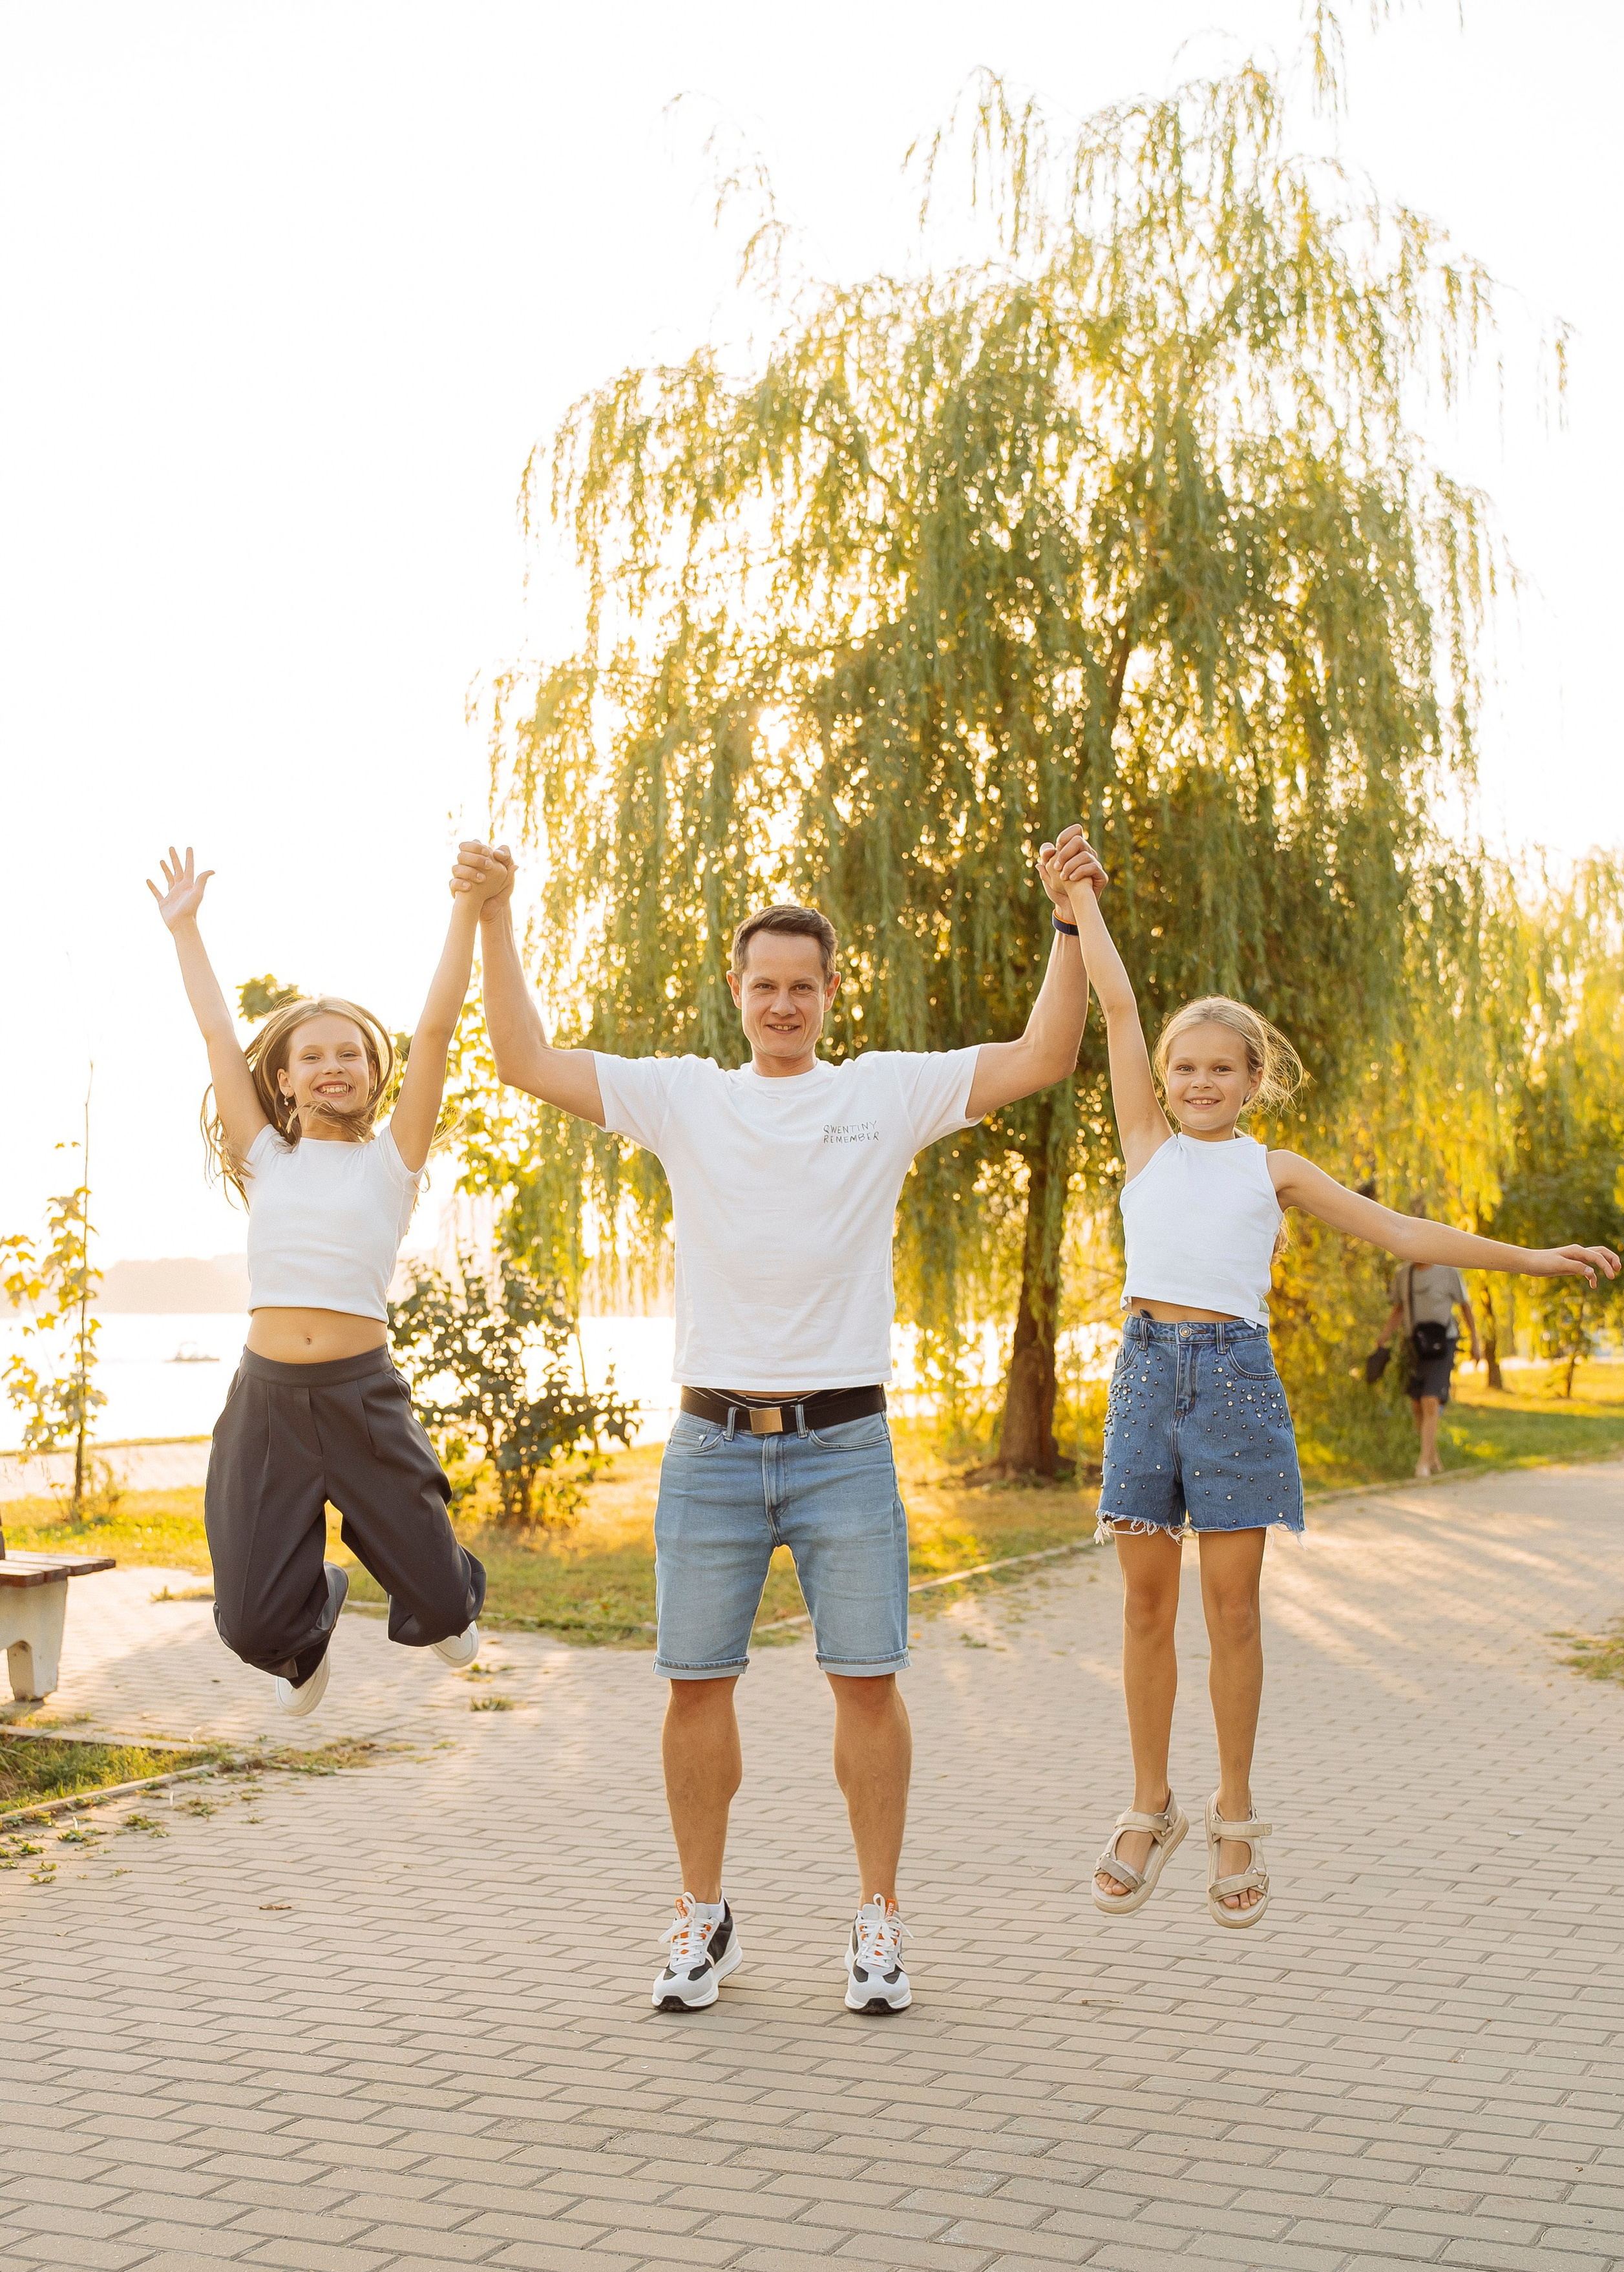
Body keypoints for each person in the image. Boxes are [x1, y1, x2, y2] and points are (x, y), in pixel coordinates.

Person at [452, 832, 1102, 2014]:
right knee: (695, 1686)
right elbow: (524, 1058)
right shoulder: (686, 1097)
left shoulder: (883, 1091)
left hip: (845, 1446)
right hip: (709, 1449)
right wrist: (497, 917)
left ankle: (879, 1922)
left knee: (866, 1682)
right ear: (737, 992)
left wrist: (1067, 922)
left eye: (805, 985)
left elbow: (1046, 1053)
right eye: (765, 986)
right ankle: (704, 1920)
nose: (785, 1004)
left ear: (830, 993)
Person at [1045, 822, 1620, 1930]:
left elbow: (1405, 1237)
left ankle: (1235, 1811)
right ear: (1164, 1080)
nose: (1200, 1081)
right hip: (1147, 1376)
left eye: (1222, 1068)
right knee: (1147, 1608)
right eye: (1186, 1068)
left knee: (1235, 1611)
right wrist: (1080, 902)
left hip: (1235, 1387)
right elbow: (1116, 1006)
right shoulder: (1144, 1143)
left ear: (1255, 1080)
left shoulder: (1277, 1169)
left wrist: (1531, 1259)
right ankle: (1148, 1802)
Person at [148, 845, 490, 1718]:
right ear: (286, 1078)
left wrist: (471, 909)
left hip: (361, 1398)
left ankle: (441, 1586)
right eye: (312, 1055)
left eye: (351, 1053)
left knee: (450, 1619)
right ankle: (312, 1624)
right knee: (249, 1626)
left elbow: (440, 1028)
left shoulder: (392, 1164)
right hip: (266, 1401)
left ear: (374, 1073)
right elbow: (220, 1034)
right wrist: (186, 929)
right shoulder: (266, 1158)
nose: (333, 1064)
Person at [1375, 1214, 1479, 1477]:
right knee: (1417, 1405)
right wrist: (1383, 1338)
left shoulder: (1448, 1271)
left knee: (1430, 1400)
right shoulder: (1404, 1275)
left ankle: (1423, 1463)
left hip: (1444, 1343)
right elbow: (1399, 1309)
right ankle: (1433, 1459)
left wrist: (1476, 1342)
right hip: (1415, 1345)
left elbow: (1466, 1308)